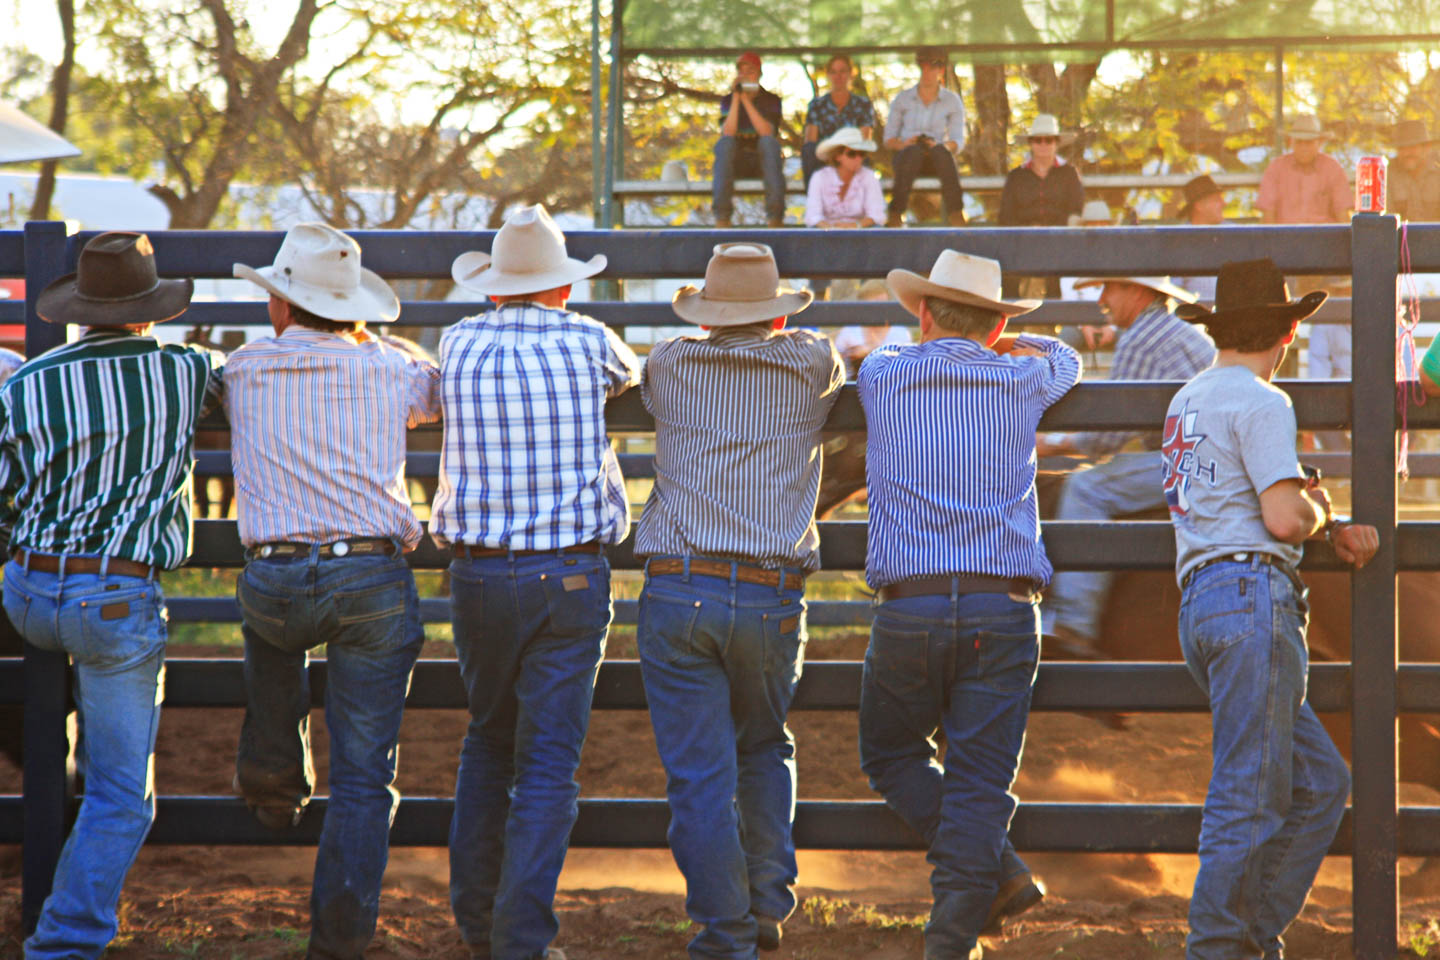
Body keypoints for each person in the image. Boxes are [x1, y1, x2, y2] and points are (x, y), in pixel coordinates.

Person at [1, 232, 222, 960]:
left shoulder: (28, 382)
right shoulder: (185, 371)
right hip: (114, 597)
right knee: (123, 794)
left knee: (47, 717)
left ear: (80, 308)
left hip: (27, 592)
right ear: (150, 311)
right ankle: (65, 940)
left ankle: (45, 784)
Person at [858, 250, 1081, 958]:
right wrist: (1014, 341)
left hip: (911, 605)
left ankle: (998, 876)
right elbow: (1068, 358)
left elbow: (876, 355)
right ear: (997, 324)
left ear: (923, 312)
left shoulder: (884, 374)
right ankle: (955, 933)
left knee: (890, 753)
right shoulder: (1023, 377)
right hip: (1002, 603)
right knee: (982, 779)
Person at [228, 222, 441, 959]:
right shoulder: (389, 368)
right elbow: (435, 394)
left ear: (280, 306)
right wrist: (381, 345)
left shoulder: (244, 369)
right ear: (357, 309)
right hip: (370, 575)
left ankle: (273, 764)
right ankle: (341, 940)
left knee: (266, 630)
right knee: (364, 775)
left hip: (277, 568)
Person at [435, 204, 641, 960]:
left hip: (481, 573)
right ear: (562, 288)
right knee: (549, 762)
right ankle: (522, 938)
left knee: (488, 741)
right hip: (570, 574)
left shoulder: (458, 343)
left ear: (494, 288)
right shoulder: (590, 340)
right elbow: (633, 381)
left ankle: (475, 923)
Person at [1162, 257, 1378, 960]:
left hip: (1203, 598)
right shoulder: (1263, 400)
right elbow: (1284, 519)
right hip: (1252, 597)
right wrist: (1321, 509)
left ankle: (1249, 937)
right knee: (1248, 796)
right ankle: (1219, 949)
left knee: (1320, 783)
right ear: (1287, 331)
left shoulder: (1187, 399)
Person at [635, 242, 844, 959]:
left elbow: (662, 364)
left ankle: (722, 934)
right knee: (763, 744)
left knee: (698, 774)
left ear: (705, 312)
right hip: (768, 590)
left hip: (679, 582)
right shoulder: (810, 364)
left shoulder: (668, 363)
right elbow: (821, 348)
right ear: (777, 314)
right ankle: (767, 899)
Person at [1037, 276, 1214, 656]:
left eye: (1109, 289)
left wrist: (1052, 444)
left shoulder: (1141, 337)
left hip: (1194, 460)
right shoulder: (1176, 329)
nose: (1101, 299)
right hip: (1214, 455)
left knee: (1086, 488)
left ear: (1137, 292)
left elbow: (1108, 432)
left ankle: (1072, 623)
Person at [999, 114, 1085, 299]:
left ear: (1056, 143)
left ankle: (1058, 319)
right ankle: (1011, 317)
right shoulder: (1016, 176)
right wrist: (1026, 231)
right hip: (1021, 239)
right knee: (1007, 268)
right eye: (1038, 140)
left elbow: (1076, 210)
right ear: (1031, 143)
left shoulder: (1069, 174)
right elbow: (1005, 215)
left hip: (1060, 239)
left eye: (1049, 140)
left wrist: (1052, 230)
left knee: (1059, 270)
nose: (1044, 145)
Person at [883, 46, 967, 228]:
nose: (928, 72)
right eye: (924, 66)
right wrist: (905, 144)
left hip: (936, 160)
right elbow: (889, 139)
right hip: (907, 157)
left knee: (941, 152)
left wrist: (939, 145)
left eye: (933, 67)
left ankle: (956, 214)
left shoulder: (952, 101)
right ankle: (896, 214)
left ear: (941, 70)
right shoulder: (903, 99)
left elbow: (957, 141)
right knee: (913, 152)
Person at [714, 51, 785, 229]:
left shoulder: (771, 100)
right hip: (736, 163)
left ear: (759, 73)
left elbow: (766, 132)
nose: (745, 75)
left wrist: (747, 101)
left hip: (764, 163)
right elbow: (727, 132)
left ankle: (775, 217)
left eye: (750, 71)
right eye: (741, 71)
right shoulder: (728, 101)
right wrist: (737, 99)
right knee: (724, 144)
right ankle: (722, 218)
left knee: (768, 143)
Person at [801, 54, 875, 185]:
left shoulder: (863, 104)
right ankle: (813, 200)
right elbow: (811, 140)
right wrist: (831, 155)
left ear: (851, 73)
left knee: (864, 161)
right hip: (823, 158)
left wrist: (845, 156)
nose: (838, 76)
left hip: (853, 154)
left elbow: (864, 139)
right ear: (828, 75)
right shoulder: (817, 105)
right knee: (808, 150)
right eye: (833, 72)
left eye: (842, 71)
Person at [804, 127, 885, 229]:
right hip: (826, 234)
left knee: (877, 229)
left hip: (861, 234)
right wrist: (832, 229)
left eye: (862, 154)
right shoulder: (820, 177)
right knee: (812, 231)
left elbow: (876, 215)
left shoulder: (869, 177)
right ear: (838, 156)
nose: (858, 158)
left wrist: (854, 226)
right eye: (852, 154)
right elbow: (813, 216)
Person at [1173, 174, 1226, 302]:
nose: (1224, 204)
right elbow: (1173, 289)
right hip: (1193, 316)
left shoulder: (1234, 234)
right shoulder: (1178, 241)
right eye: (1216, 200)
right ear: (1199, 206)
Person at [1389, 119, 1440, 222]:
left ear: (1427, 148)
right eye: (1402, 148)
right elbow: (1383, 222)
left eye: (1413, 147)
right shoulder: (1386, 178)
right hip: (1398, 237)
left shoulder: (1438, 175)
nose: (1407, 153)